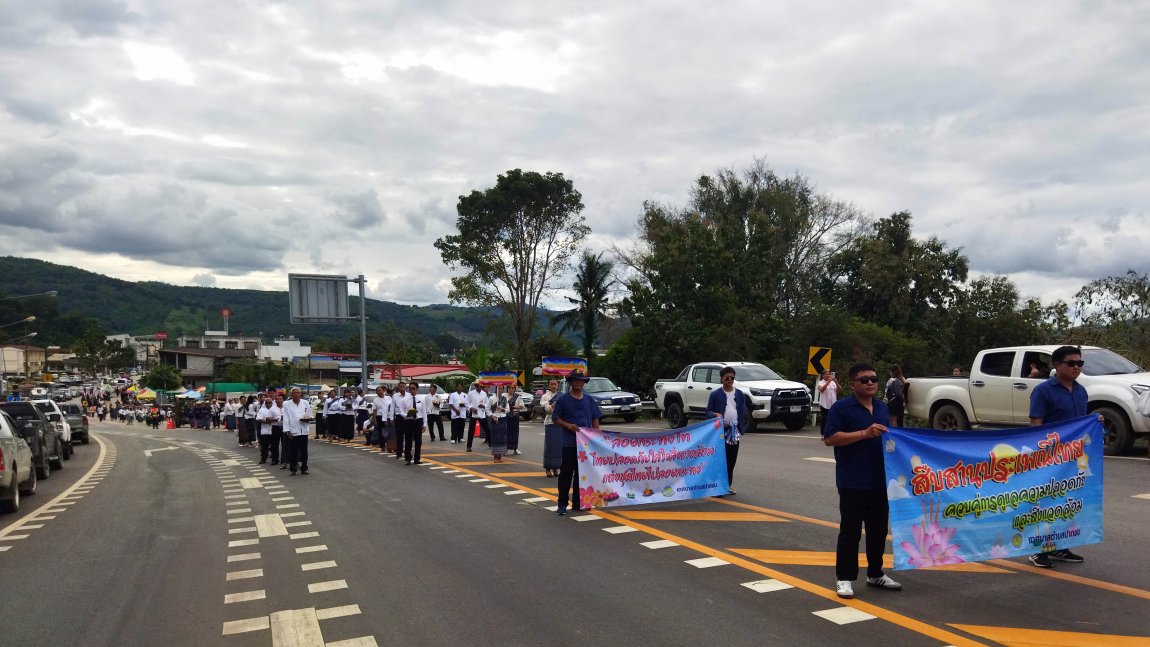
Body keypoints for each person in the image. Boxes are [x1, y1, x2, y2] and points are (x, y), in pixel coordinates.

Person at [823, 362, 901, 599]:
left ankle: (875, 573)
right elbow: (830, 438)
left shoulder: (881, 407)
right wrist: (863, 434)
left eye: (874, 379)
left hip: (880, 480)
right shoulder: (841, 408)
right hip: (852, 480)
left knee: (878, 530)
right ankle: (844, 578)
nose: (870, 383)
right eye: (864, 379)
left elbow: (893, 437)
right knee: (851, 531)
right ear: (853, 384)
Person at [1027, 345, 1089, 569]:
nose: (1076, 367)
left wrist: (1095, 422)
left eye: (1079, 363)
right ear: (1057, 365)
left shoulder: (1081, 391)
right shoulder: (1043, 391)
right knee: (1045, 504)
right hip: (1049, 460)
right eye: (1071, 363)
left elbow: (1081, 424)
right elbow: (1036, 426)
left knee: (1067, 503)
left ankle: (1060, 546)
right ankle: (1037, 549)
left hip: (1072, 460)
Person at [551, 370, 603, 515]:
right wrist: (568, 426)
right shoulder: (563, 399)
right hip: (569, 444)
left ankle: (578, 502)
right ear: (571, 382)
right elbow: (556, 418)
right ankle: (562, 504)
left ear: (584, 382)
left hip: (585, 446)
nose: (578, 382)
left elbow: (595, 419)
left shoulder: (589, 400)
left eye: (581, 380)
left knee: (583, 475)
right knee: (566, 474)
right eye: (576, 380)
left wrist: (596, 437)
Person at [706, 366, 747, 496]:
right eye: (727, 378)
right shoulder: (715, 394)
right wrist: (715, 415)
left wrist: (740, 425)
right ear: (722, 379)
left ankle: (727, 486)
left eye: (732, 378)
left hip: (734, 432)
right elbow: (707, 412)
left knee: (731, 460)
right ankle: (716, 487)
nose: (730, 380)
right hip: (720, 432)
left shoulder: (739, 394)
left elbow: (743, 410)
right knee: (719, 460)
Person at [281, 387, 313, 475]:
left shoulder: (305, 402)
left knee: (304, 451)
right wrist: (287, 431)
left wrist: (308, 418)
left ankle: (304, 468)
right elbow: (286, 418)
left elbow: (309, 414)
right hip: (293, 431)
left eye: (299, 393)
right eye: (295, 393)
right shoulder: (287, 404)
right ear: (292, 394)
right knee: (293, 451)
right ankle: (293, 469)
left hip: (304, 430)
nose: (297, 394)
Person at [540, 380, 561, 477]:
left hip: (560, 423)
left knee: (558, 447)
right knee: (550, 447)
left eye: (555, 384)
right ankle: (548, 468)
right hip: (549, 423)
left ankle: (556, 468)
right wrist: (553, 404)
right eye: (551, 384)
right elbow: (547, 409)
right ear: (548, 385)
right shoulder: (545, 396)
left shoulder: (562, 395)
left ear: (558, 385)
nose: (553, 386)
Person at [256, 396, 281, 464]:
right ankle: (263, 459)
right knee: (264, 447)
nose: (268, 403)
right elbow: (259, 419)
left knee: (274, 446)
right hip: (265, 431)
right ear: (265, 403)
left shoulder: (275, 409)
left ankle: (274, 459)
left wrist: (271, 421)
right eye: (267, 402)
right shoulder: (262, 410)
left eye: (270, 402)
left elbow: (279, 419)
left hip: (274, 430)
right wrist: (270, 421)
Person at [403, 382, 424, 465]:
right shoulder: (405, 399)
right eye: (410, 388)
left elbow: (424, 412)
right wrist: (407, 415)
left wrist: (424, 424)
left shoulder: (422, 399)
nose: (411, 390)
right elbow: (401, 411)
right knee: (408, 440)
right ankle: (408, 458)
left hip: (418, 420)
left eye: (413, 388)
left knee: (418, 441)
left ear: (417, 389)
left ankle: (417, 458)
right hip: (408, 421)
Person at [465, 383, 489, 453]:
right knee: (471, 431)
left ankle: (490, 443)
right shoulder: (471, 393)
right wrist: (471, 408)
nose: (479, 388)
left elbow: (487, 403)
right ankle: (469, 447)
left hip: (481, 414)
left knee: (487, 429)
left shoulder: (484, 394)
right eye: (478, 386)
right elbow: (467, 403)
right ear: (475, 387)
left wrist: (483, 405)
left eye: (481, 386)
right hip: (474, 414)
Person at [488, 385, 508, 462]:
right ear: (496, 389)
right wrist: (492, 416)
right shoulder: (491, 398)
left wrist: (502, 409)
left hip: (502, 418)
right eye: (499, 388)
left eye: (501, 388)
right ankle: (495, 456)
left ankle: (500, 455)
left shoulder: (504, 399)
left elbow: (507, 409)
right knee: (495, 438)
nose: (500, 390)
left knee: (502, 437)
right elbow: (487, 409)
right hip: (495, 419)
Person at [816, 369, 839, 434]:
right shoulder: (821, 382)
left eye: (829, 374)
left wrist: (836, 382)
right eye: (826, 374)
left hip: (833, 404)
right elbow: (821, 389)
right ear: (823, 376)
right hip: (824, 404)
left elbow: (840, 390)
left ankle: (832, 432)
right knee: (824, 419)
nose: (828, 375)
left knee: (833, 419)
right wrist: (828, 382)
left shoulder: (833, 383)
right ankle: (823, 434)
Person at [506, 384, 524, 455]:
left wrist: (514, 407)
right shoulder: (504, 396)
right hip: (507, 416)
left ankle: (515, 449)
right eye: (509, 388)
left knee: (515, 433)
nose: (511, 390)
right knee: (507, 433)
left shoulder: (518, 397)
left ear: (514, 389)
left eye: (512, 388)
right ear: (507, 389)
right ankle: (506, 449)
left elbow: (522, 406)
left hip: (515, 416)